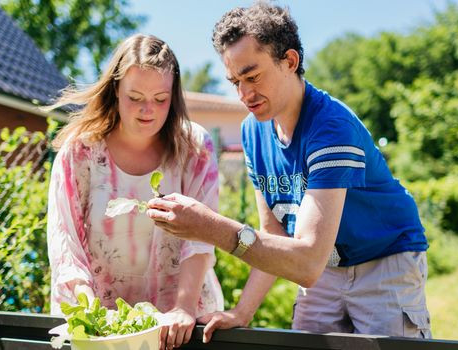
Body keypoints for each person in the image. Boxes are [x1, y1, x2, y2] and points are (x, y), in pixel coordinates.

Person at [147, 2, 430, 342]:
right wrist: (241, 312)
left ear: (290, 61)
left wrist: (208, 226)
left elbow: (307, 262)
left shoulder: (331, 127)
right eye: (235, 81)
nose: (244, 94)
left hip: (383, 261)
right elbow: (275, 232)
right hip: (324, 266)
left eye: (252, 76)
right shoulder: (254, 130)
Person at [45, 34, 224, 350]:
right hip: (102, 328)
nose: (147, 111)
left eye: (160, 99)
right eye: (135, 97)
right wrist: (94, 317)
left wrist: (183, 307)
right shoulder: (80, 152)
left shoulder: (196, 148)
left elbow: (200, 238)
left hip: (181, 326)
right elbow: (65, 243)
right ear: (115, 89)